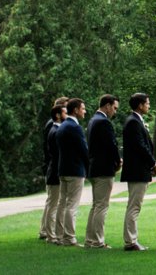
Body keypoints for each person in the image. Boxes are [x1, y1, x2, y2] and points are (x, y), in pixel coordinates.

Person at [121, 93, 156, 251]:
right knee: (134, 206)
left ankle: (131, 239)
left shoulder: (136, 121)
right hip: (137, 170)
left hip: (138, 169)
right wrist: (153, 163)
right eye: (147, 103)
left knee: (135, 205)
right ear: (140, 105)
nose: (149, 106)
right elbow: (140, 146)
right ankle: (130, 241)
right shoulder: (133, 122)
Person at [85, 94, 121, 248]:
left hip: (94, 167)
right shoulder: (104, 122)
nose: (115, 111)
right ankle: (98, 240)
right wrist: (117, 161)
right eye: (114, 108)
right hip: (103, 168)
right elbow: (111, 145)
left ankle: (90, 239)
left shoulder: (93, 121)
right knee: (101, 206)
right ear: (107, 105)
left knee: (96, 205)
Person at [54, 97, 90, 246]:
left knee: (63, 204)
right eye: (83, 108)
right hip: (75, 170)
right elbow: (83, 150)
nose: (85, 111)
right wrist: (89, 167)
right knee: (72, 205)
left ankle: (60, 235)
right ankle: (69, 237)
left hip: (63, 169)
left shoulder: (62, 126)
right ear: (75, 110)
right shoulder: (74, 127)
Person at [39, 99, 67, 243]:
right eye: (65, 112)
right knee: (53, 204)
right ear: (57, 115)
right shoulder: (55, 130)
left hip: (54, 170)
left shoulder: (55, 129)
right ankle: (50, 234)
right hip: (54, 171)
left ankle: (52, 232)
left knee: (53, 203)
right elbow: (55, 154)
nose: (67, 115)